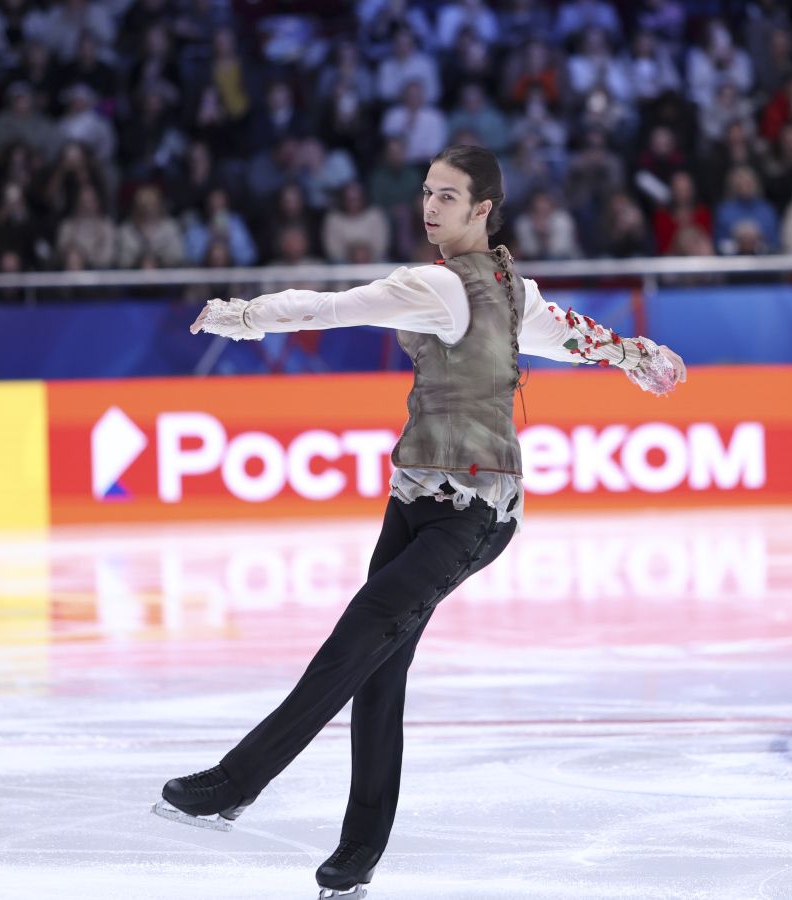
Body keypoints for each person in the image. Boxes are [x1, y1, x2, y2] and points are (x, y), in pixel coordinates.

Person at [161, 145, 686, 899]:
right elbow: (576, 338)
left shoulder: (448, 286)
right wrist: (635, 355)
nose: (429, 207)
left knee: (358, 636)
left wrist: (244, 317)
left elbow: (332, 308)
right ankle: (358, 854)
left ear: (483, 210)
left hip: (472, 513)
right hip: (414, 500)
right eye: (427, 192)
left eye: (447, 196)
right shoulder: (505, 290)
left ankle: (237, 782)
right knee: (380, 668)